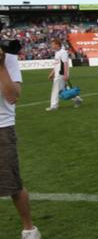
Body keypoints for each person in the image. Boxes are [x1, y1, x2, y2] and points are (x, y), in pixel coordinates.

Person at [0, 48, 41, 239]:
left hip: (2, 128)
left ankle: (29, 230)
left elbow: (13, 96)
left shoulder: (8, 58)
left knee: (13, 184)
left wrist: (0, 66)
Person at [46, 39, 82, 111]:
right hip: (58, 74)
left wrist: (65, 74)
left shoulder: (63, 52)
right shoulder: (57, 52)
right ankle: (77, 99)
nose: (52, 46)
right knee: (64, 90)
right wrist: (52, 73)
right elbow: (57, 64)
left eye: (53, 44)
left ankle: (54, 106)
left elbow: (65, 64)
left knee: (56, 90)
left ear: (57, 44)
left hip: (61, 74)